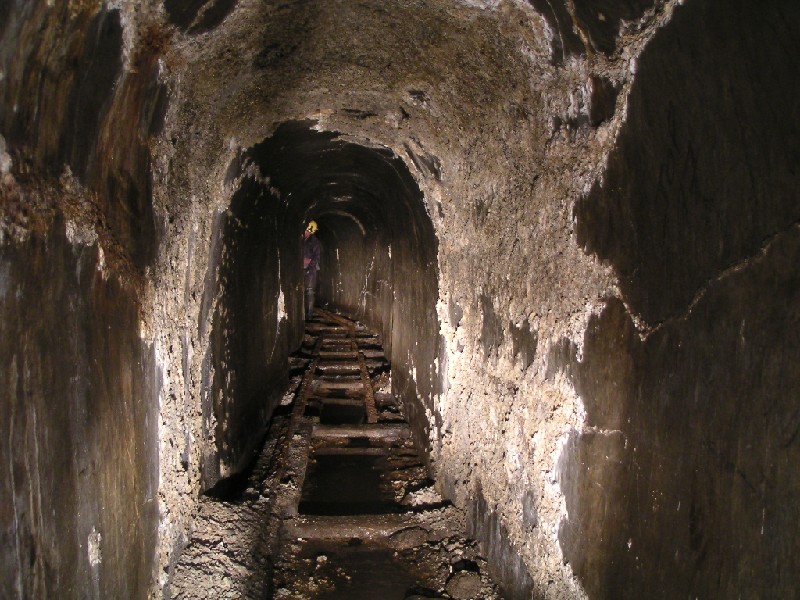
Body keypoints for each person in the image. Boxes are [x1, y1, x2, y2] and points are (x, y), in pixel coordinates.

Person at [303, 220, 321, 318]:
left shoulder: (314, 242)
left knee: (309, 292)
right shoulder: (301, 240)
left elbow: (316, 258)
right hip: (300, 270)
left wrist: (309, 264)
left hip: (311, 271)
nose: (305, 233)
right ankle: (301, 314)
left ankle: (309, 314)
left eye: (307, 231)